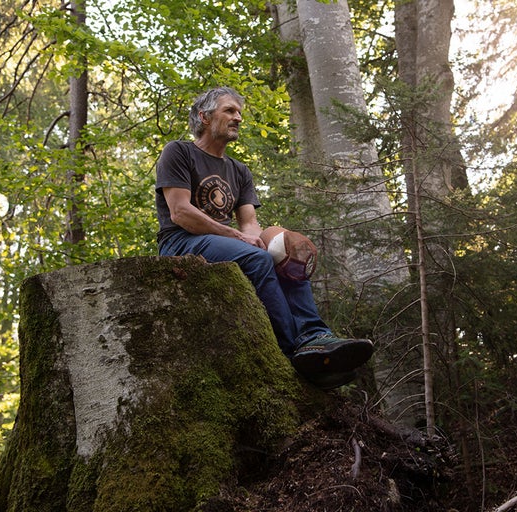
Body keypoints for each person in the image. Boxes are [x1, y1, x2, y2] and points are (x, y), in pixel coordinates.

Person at [155, 86, 373, 389]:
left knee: (285, 257)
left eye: (239, 112)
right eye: (229, 111)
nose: (238, 118)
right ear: (204, 117)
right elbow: (180, 212)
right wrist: (237, 236)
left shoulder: (239, 170)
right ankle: (293, 349)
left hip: (221, 241)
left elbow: (249, 226)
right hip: (180, 241)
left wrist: (279, 241)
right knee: (256, 258)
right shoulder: (179, 152)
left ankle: (314, 336)